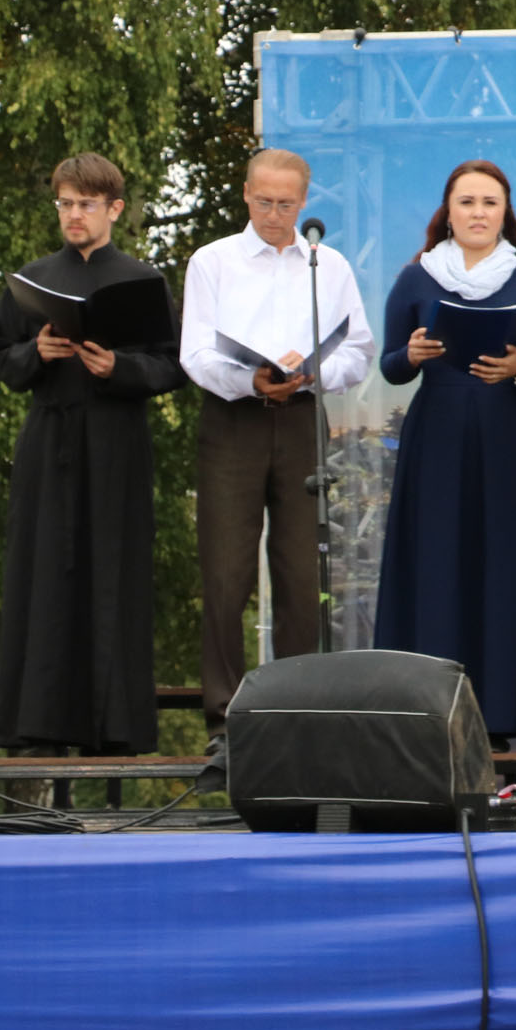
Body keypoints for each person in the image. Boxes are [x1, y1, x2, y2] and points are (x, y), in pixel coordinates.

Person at [0, 154, 185, 762]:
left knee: (113, 575)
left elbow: (173, 364)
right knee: (42, 576)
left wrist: (118, 366)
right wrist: (36, 353)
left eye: (86, 205)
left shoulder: (142, 281)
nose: (74, 215)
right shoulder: (33, 278)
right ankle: (37, 726)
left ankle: (114, 727)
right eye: (66, 204)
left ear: (114, 209)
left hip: (117, 444)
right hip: (50, 442)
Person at [181, 149, 374, 755]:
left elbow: (358, 351)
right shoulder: (213, 261)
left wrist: (313, 373)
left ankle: (297, 711)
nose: (273, 213)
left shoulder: (327, 265)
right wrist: (251, 379)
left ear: (304, 202)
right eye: (263, 201)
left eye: (285, 204)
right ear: (245, 193)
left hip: (300, 419)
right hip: (233, 419)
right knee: (225, 572)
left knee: (301, 571)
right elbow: (196, 353)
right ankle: (224, 720)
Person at [374, 160, 516, 744]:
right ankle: (432, 715)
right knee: (437, 564)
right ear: (448, 212)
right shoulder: (417, 278)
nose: (479, 213)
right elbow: (391, 366)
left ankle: (501, 714)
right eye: (467, 202)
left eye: (490, 202)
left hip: (505, 435)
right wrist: (412, 355)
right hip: (437, 436)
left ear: (505, 213)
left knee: (502, 565)